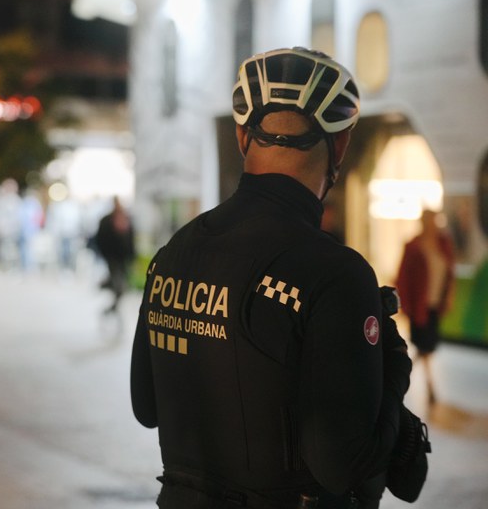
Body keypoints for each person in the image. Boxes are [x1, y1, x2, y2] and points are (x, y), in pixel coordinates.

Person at [130, 47, 413, 509]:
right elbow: (341, 465)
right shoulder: (335, 273)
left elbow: (146, 407)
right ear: (341, 144)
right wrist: (395, 371)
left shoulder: (174, 253)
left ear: (243, 136)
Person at [396, 209, 455, 405]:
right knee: (425, 345)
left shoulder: (443, 243)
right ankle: (429, 386)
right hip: (419, 306)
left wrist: (449, 295)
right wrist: (405, 305)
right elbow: (403, 277)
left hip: (435, 304)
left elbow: (450, 272)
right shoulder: (413, 246)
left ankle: (404, 371)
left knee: (425, 346)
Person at [94, 196, 135, 313]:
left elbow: (131, 239)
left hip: (123, 258)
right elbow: (100, 238)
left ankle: (112, 301)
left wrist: (132, 255)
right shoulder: (107, 220)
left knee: (122, 284)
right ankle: (112, 304)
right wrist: (105, 254)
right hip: (112, 257)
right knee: (119, 284)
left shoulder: (126, 218)